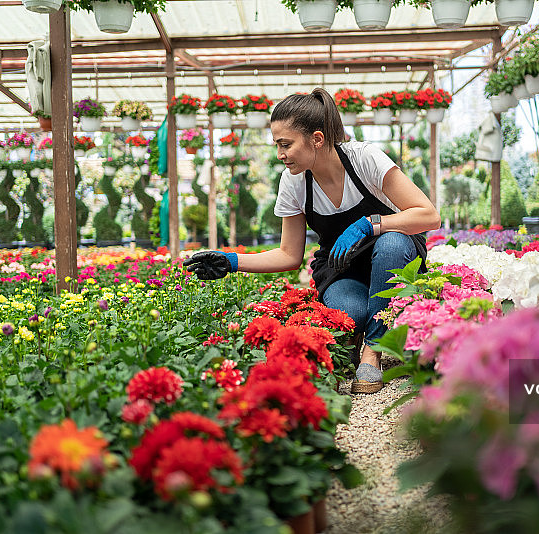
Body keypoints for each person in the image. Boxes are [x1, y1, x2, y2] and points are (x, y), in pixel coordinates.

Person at [185, 88, 440, 393]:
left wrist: (372, 224)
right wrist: (232, 261)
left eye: (286, 144)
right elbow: (289, 255)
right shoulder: (294, 181)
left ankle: (373, 350)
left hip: (393, 263)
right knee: (350, 317)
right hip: (342, 269)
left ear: (317, 139)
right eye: (277, 145)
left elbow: (428, 215)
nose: (280, 155)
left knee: (392, 242)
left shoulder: (364, 159)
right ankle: (370, 324)